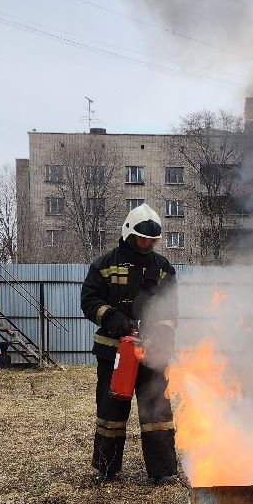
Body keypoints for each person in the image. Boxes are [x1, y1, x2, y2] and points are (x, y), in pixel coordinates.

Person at [80, 204, 179, 485]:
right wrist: (113, 317)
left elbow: (171, 310)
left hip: (152, 354)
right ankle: (107, 469)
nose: (147, 244)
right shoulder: (104, 265)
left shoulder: (163, 269)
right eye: (142, 238)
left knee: (157, 411)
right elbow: (89, 301)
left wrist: (160, 334)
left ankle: (162, 472)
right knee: (111, 412)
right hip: (114, 352)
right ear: (128, 234)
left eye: (152, 240)